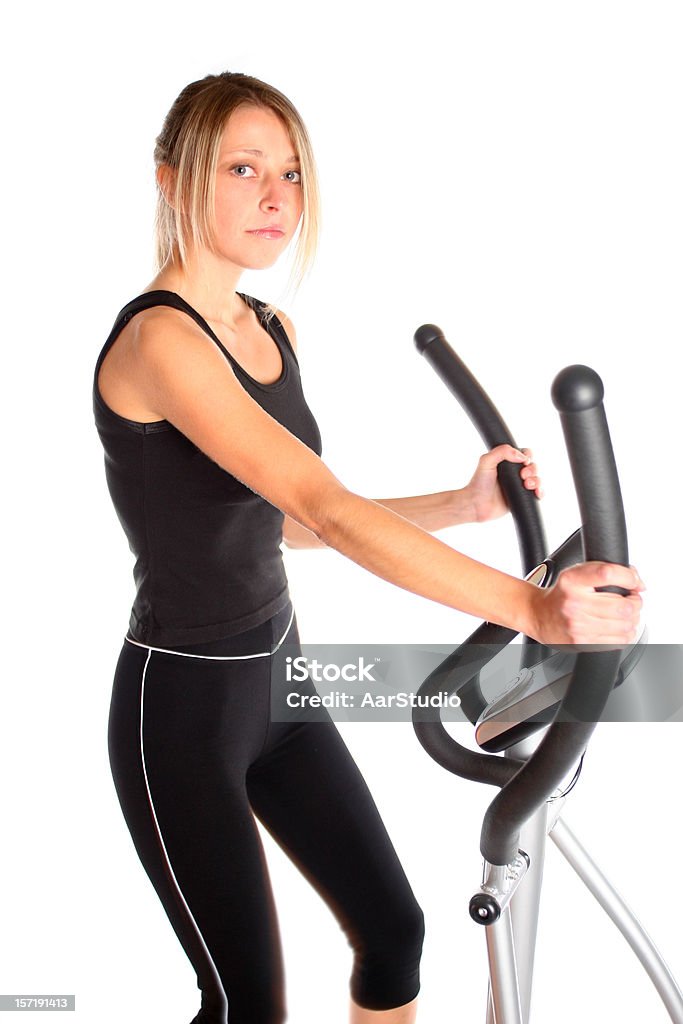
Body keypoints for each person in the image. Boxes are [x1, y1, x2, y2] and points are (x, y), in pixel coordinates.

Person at [93, 72, 643, 1024]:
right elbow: (325, 501)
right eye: (243, 168)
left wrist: (460, 503)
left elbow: (291, 521)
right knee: (243, 1006)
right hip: (179, 712)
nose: (277, 198)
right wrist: (532, 609)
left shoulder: (268, 328)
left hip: (281, 691)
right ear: (170, 179)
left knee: (393, 937)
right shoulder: (160, 343)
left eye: (293, 173)